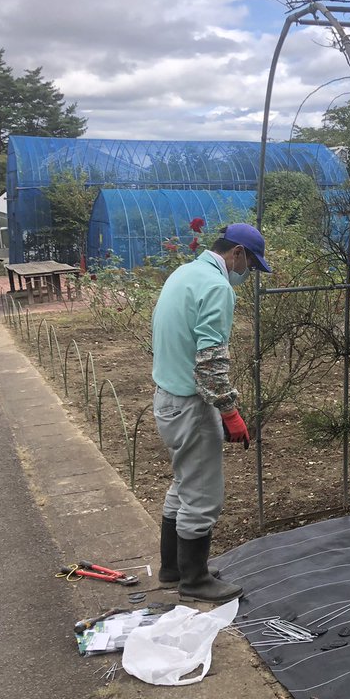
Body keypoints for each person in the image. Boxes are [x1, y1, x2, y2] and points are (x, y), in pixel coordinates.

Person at [151, 222, 270, 601]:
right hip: (190, 405)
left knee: (184, 484)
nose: (247, 273)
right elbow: (209, 365)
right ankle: (195, 581)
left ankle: (174, 568)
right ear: (237, 252)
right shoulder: (217, 287)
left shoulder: (184, 273)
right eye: (249, 264)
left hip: (167, 398)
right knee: (203, 495)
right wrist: (230, 412)